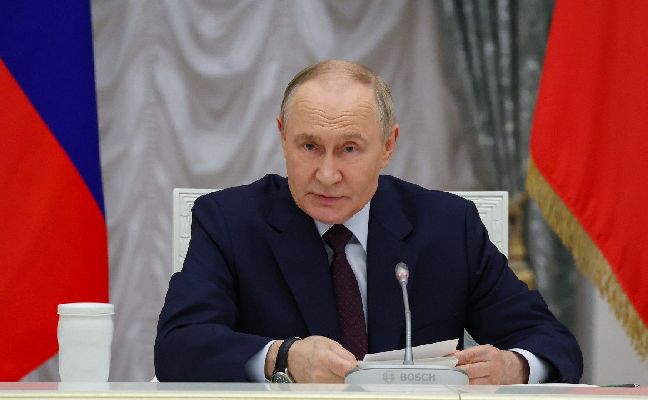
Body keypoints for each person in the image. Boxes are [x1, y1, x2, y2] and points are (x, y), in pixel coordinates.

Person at [155, 60, 583, 384]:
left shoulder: (450, 226)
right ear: (283, 136)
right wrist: (281, 357)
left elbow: (551, 341)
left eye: (349, 149)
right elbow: (178, 346)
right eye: (309, 146)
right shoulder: (230, 222)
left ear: (388, 145)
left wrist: (513, 366)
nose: (327, 175)